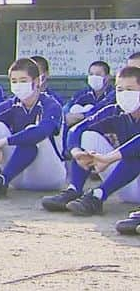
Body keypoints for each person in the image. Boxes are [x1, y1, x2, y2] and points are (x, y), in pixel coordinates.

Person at [40, 66, 140, 216]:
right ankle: (74, 190)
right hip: (128, 187)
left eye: (130, 90)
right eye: (120, 90)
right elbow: (77, 129)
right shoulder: (114, 110)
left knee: (135, 153)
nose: (124, 94)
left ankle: (98, 195)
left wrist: (109, 158)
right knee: (88, 135)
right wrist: (77, 152)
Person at [0, 58, 65, 200]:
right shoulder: (11, 104)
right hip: (19, 177)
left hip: (49, 175)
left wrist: (3, 142)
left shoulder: (50, 104)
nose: (18, 85)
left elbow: (42, 132)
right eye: (14, 81)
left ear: (36, 82)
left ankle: (2, 180)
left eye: (23, 80)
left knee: (32, 130)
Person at [63, 60, 115, 129]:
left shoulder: (113, 94)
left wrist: (83, 116)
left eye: (98, 74)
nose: (94, 77)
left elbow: (102, 113)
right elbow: (67, 109)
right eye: (91, 74)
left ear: (107, 77)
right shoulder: (83, 93)